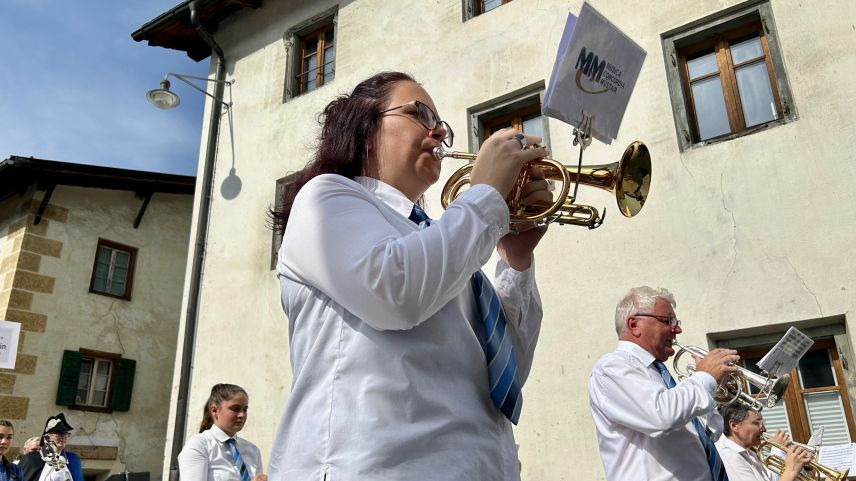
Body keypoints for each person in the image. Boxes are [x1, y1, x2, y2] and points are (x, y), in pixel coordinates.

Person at [269, 71, 550, 480]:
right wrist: (485, 194)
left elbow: (506, 375)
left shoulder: (440, 240)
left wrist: (516, 256)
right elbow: (395, 293)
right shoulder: (327, 196)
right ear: (364, 129)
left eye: (442, 126)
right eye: (420, 114)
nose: (437, 132)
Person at [588, 286, 741, 481]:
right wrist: (705, 378)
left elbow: (705, 434)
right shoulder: (612, 368)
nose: (677, 329)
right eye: (668, 321)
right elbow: (660, 416)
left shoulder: (657, 372)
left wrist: (715, 393)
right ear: (634, 324)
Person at [178, 384, 266, 481]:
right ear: (214, 410)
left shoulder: (253, 450)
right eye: (235, 409)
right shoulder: (200, 445)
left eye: (245, 409)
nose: (242, 415)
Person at [716, 404, 812, 481]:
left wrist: (793, 461)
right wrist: (791, 470)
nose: (764, 429)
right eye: (757, 423)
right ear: (734, 425)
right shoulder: (729, 456)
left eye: (762, 423)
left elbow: (773, 479)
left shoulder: (750, 453)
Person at [18, 413, 83, 481]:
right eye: (59, 433)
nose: (63, 437)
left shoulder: (73, 459)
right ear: (47, 438)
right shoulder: (31, 459)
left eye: (66, 434)